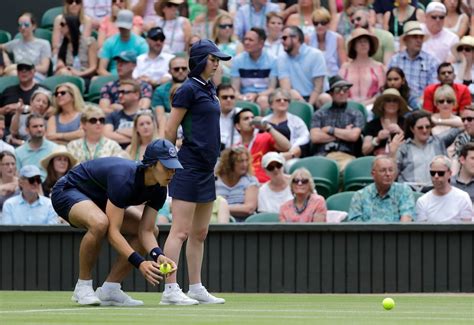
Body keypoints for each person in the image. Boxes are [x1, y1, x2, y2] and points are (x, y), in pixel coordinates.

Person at [51, 139, 180, 306]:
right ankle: (82, 286)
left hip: (100, 201)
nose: (172, 172)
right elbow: (113, 232)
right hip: (68, 190)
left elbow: (146, 231)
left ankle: (110, 289)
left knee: (153, 230)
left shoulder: (160, 189)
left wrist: (158, 255)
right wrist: (140, 262)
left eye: (174, 167)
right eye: (167, 167)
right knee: (100, 224)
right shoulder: (124, 178)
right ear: (152, 164)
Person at [163, 39, 231, 305]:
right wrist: (168, 164)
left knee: (199, 233)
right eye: (213, 59)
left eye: (218, 60)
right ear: (201, 60)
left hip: (205, 169)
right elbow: (170, 130)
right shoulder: (188, 90)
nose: (216, 63)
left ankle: (196, 287)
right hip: (187, 167)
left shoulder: (210, 88)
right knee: (179, 231)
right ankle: (170, 289)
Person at [310, 75, 365, 172]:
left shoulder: (356, 114)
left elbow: (353, 136)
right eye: (337, 90)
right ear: (331, 93)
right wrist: (344, 134)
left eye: (345, 89)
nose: (342, 92)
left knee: (345, 170)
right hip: (322, 155)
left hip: (347, 155)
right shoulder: (319, 114)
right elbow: (315, 137)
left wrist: (329, 129)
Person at [394, 110, 462, 186]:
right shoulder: (404, 147)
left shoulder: (439, 141)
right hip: (411, 192)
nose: (425, 130)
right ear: (412, 129)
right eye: (420, 128)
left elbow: (462, 125)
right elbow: (393, 174)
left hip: (437, 190)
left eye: (428, 126)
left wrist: (436, 121)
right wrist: (392, 152)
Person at [347, 155, 415, 222]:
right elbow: (355, 225)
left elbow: (406, 220)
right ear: (373, 174)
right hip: (367, 233)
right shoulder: (360, 196)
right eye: (383, 170)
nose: (388, 174)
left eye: (391, 170)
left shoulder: (404, 191)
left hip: (397, 233)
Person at [233, 107, 291, 183]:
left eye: (252, 118)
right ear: (238, 126)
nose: (251, 121)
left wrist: (268, 127)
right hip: (247, 186)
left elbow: (286, 146)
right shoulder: (236, 148)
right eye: (246, 119)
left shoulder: (265, 136)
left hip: (267, 184)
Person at [388, 21, 439, 102]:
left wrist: (421, 101)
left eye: (421, 37)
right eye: (415, 37)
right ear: (406, 39)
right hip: (398, 102)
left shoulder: (431, 61)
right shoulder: (395, 60)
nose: (419, 40)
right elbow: (389, 85)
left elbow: (434, 87)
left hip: (423, 103)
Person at [277, 26, 327, 107]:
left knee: (325, 98)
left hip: (316, 97)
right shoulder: (282, 57)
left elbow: (318, 88)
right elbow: (285, 88)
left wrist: (308, 107)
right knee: (291, 93)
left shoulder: (316, 55)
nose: (282, 42)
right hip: (296, 99)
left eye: (284, 38)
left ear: (296, 38)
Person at [231, 27, 278, 112]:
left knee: (262, 100)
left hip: (263, 95)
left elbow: (271, 89)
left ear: (261, 43)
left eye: (250, 40)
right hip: (244, 95)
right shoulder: (237, 60)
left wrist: (256, 95)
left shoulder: (272, 60)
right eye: (245, 39)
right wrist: (240, 96)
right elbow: (235, 89)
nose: (246, 42)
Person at [416, 155, 473, 222]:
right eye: (432, 173)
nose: (436, 176)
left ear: (450, 173)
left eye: (440, 173)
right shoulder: (422, 201)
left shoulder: (463, 197)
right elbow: (422, 229)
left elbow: (467, 228)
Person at [339, 28, 385, 106]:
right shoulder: (345, 67)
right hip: (348, 105)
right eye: (359, 41)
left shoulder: (379, 67)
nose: (363, 44)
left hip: (372, 106)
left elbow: (381, 92)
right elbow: (339, 89)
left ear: (370, 45)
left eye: (365, 41)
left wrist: (365, 104)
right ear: (353, 46)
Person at [0, 12, 51, 81]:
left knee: (14, 73)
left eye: (26, 25)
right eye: (20, 25)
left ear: (33, 26)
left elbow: (44, 68)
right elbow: (2, 47)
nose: (23, 28)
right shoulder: (15, 43)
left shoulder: (44, 44)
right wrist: (4, 54)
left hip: (37, 77)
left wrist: (19, 67)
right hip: (18, 76)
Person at [262, 88, 310, 160]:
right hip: (264, 156)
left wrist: (291, 153)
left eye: (286, 100)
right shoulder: (263, 121)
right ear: (271, 105)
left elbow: (304, 138)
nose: (282, 102)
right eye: (278, 100)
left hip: (288, 156)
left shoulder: (296, 121)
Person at [97, 9, 149, 76]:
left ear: (131, 26)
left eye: (125, 27)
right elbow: (101, 69)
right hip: (112, 78)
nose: (123, 30)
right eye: (121, 27)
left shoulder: (141, 44)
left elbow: (144, 68)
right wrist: (114, 79)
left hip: (134, 79)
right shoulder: (110, 42)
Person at [0, 59, 45, 133]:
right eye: (20, 69)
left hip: (32, 131)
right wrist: (5, 109)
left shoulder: (41, 90)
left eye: (27, 69)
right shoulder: (8, 91)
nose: (23, 71)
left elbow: (52, 110)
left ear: (33, 71)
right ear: (17, 72)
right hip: (4, 130)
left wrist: (25, 108)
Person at [215, 147, 259, 221]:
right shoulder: (216, 180)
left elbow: (249, 208)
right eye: (240, 161)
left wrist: (222, 208)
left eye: (246, 160)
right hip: (217, 221)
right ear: (229, 163)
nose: (245, 164)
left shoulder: (250, 180)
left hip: (242, 225)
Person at [151, 56, 189, 138]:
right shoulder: (160, 91)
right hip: (169, 126)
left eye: (184, 68)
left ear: (188, 70)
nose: (180, 71)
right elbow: (160, 118)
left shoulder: (197, 88)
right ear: (169, 71)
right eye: (176, 69)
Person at [362, 88, 407, 156]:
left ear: (399, 105)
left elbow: (414, 147)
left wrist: (400, 132)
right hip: (377, 161)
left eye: (395, 101)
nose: (392, 103)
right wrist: (377, 139)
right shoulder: (371, 125)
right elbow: (365, 151)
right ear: (382, 104)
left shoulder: (407, 123)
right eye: (388, 101)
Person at [55, 15, 98, 79]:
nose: (60, 27)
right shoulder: (62, 45)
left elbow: (93, 67)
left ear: (71, 25)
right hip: (68, 75)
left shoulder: (89, 42)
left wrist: (80, 74)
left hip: (85, 76)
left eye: (62, 24)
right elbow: (61, 64)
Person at [15, 114, 58, 179]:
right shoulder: (18, 152)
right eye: (35, 126)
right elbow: (17, 176)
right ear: (27, 130)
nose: (39, 129)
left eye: (41, 126)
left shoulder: (54, 148)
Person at [104, 79, 142, 148]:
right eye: (119, 92)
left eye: (124, 92)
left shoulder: (146, 114)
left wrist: (118, 131)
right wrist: (138, 137)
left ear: (136, 95)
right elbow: (107, 135)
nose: (120, 95)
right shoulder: (112, 115)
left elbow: (149, 135)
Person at [309, 7, 347, 77]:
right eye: (316, 23)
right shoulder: (308, 39)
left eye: (323, 23)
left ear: (329, 23)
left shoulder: (338, 39)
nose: (319, 26)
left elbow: (343, 64)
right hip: (313, 78)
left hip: (334, 78)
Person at [217, 83, 240, 149]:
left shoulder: (242, 114)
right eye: (225, 97)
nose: (229, 100)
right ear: (217, 99)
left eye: (232, 97)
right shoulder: (210, 116)